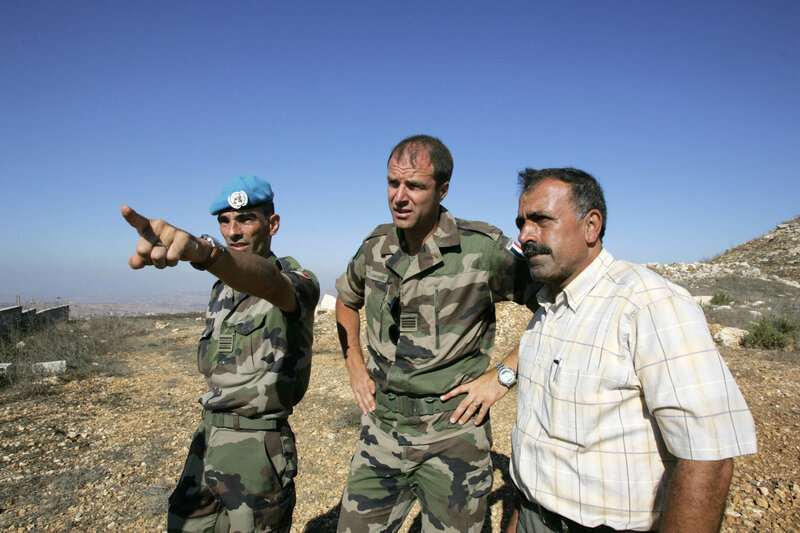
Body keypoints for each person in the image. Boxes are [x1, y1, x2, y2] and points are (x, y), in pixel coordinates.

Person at [503, 167, 757, 532]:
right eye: (522, 222)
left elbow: (708, 456)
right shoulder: (548, 307)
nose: (525, 235)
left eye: (541, 220)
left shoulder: (648, 304)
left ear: (591, 226)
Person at [335, 135, 539, 533]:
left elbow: (551, 308)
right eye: (393, 183)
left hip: (453, 435)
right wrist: (354, 364)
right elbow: (347, 299)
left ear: (443, 189)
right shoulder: (375, 246)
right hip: (383, 428)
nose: (400, 196)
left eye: (415, 186)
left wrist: (502, 377)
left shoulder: (480, 250)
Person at [121, 175, 319, 533]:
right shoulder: (221, 288)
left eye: (246, 219)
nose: (233, 232)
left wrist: (208, 253)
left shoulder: (296, 277)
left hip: (258, 445)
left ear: (272, 224)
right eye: (225, 222)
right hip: (208, 436)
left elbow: (270, 282)